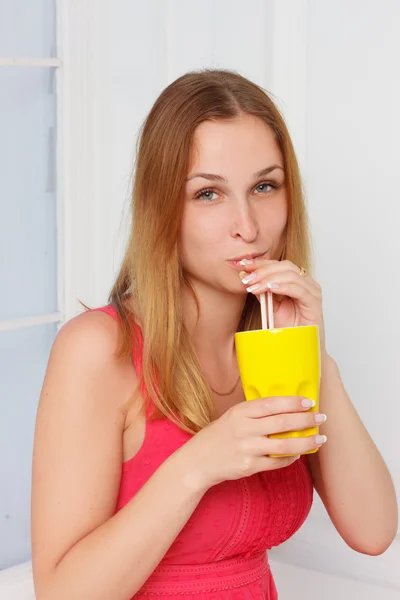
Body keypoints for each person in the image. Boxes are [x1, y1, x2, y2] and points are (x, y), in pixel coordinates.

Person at [31, 69, 398, 600]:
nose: (247, 226)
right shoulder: (96, 351)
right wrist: (199, 463)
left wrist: (318, 359)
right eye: (208, 194)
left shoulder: (274, 349)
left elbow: (375, 531)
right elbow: (62, 594)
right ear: (162, 208)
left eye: (264, 186)